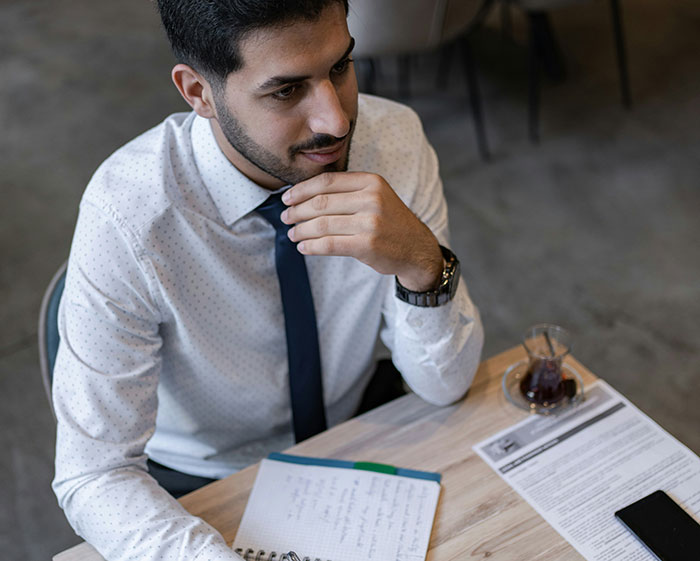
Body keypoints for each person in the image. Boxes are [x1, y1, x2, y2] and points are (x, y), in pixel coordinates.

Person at [52, 1, 484, 560]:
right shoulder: (129, 215)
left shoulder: (394, 142)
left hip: (356, 435)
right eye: (286, 91)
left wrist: (424, 264)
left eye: (340, 68)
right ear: (198, 93)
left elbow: (444, 385)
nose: (337, 120)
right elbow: (95, 473)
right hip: (198, 482)